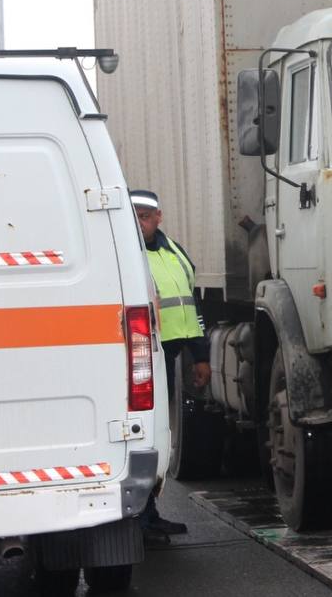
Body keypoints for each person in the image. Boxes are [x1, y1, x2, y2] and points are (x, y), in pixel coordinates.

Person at [131, 189, 211, 541]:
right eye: (133, 215)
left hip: (170, 356)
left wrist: (202, 356)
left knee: (157, 437)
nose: (139, 223)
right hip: (139, 361)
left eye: (145, 216)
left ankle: (149, 514)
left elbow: (188, 304)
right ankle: (140, 519)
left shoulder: (174, 251)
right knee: (142, 437)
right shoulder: (121, 252)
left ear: (158, 218)